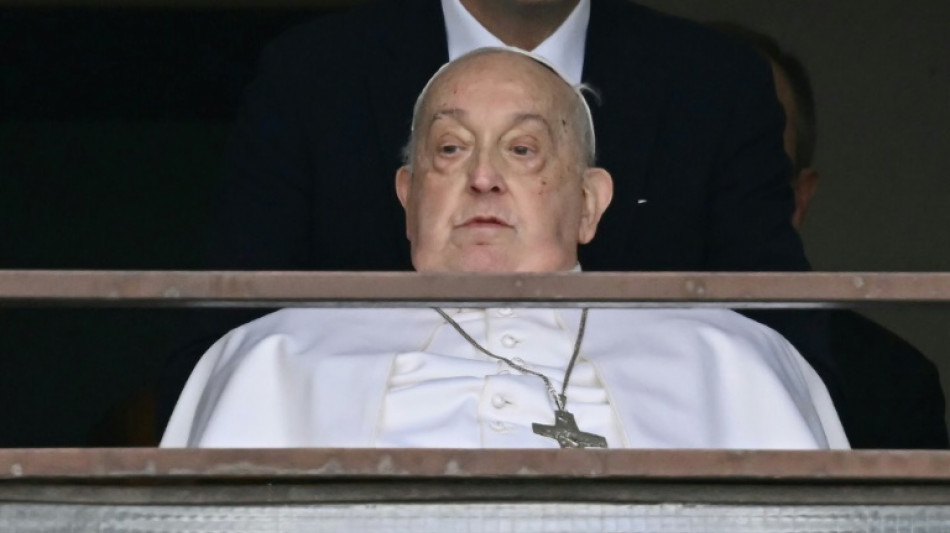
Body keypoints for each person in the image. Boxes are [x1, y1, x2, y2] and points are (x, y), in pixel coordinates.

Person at [159, 0, 840, 435]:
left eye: (523, 149)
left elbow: (780, 362)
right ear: (405, 192)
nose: (484, 179)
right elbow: (225, 372)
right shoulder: (310, 73)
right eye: (450, 148)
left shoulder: (714, 82)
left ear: (592, 201)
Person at [714, 23, 948, 448]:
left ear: (799, 198)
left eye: (754, 173)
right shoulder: (583, 344)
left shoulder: (889, 385)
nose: (710, 190)